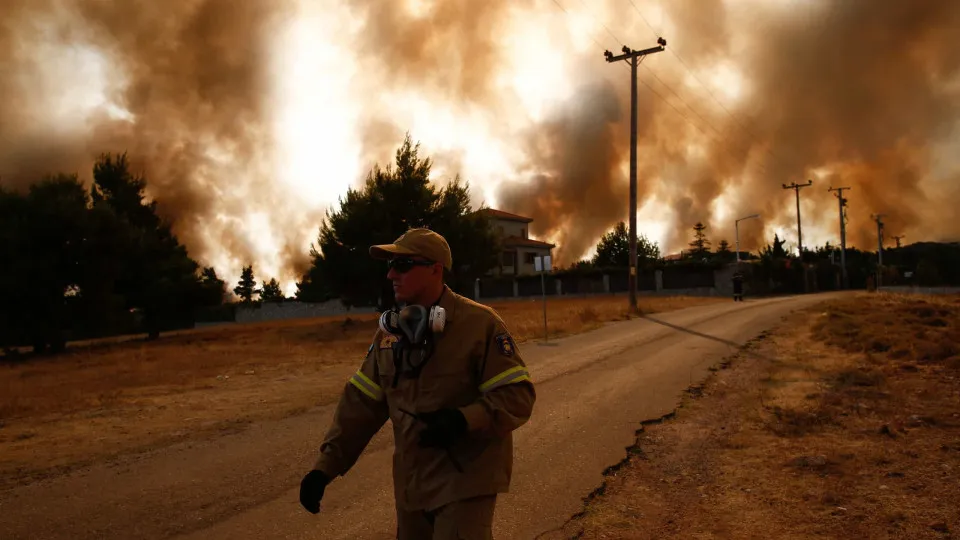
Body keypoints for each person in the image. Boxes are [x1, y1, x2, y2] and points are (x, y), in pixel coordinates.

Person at [299, 227, 536, 539]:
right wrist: (324, 468)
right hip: (412, 487)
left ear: (435, 269)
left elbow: (517, 396)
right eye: (390, 266)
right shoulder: (390, 335)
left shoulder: (481, 325)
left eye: (403, 265)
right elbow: (361, 404)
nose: (392, 275)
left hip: (465, 480)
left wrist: (462, 420)